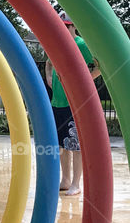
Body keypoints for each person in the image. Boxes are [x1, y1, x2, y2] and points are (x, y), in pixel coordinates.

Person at [44, 11, 102, 196]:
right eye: (61, 26)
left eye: (67, 26)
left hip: (74, 103)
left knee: (75, 145)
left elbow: (100, 67)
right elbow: (49, 63)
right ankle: (66, 179)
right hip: (58, 102)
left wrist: (84, 84)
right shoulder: (56, 45)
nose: (64, 29)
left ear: (73, 26)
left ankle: (76, 183)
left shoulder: (81, 44)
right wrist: (49, 81)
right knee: (61, 145)